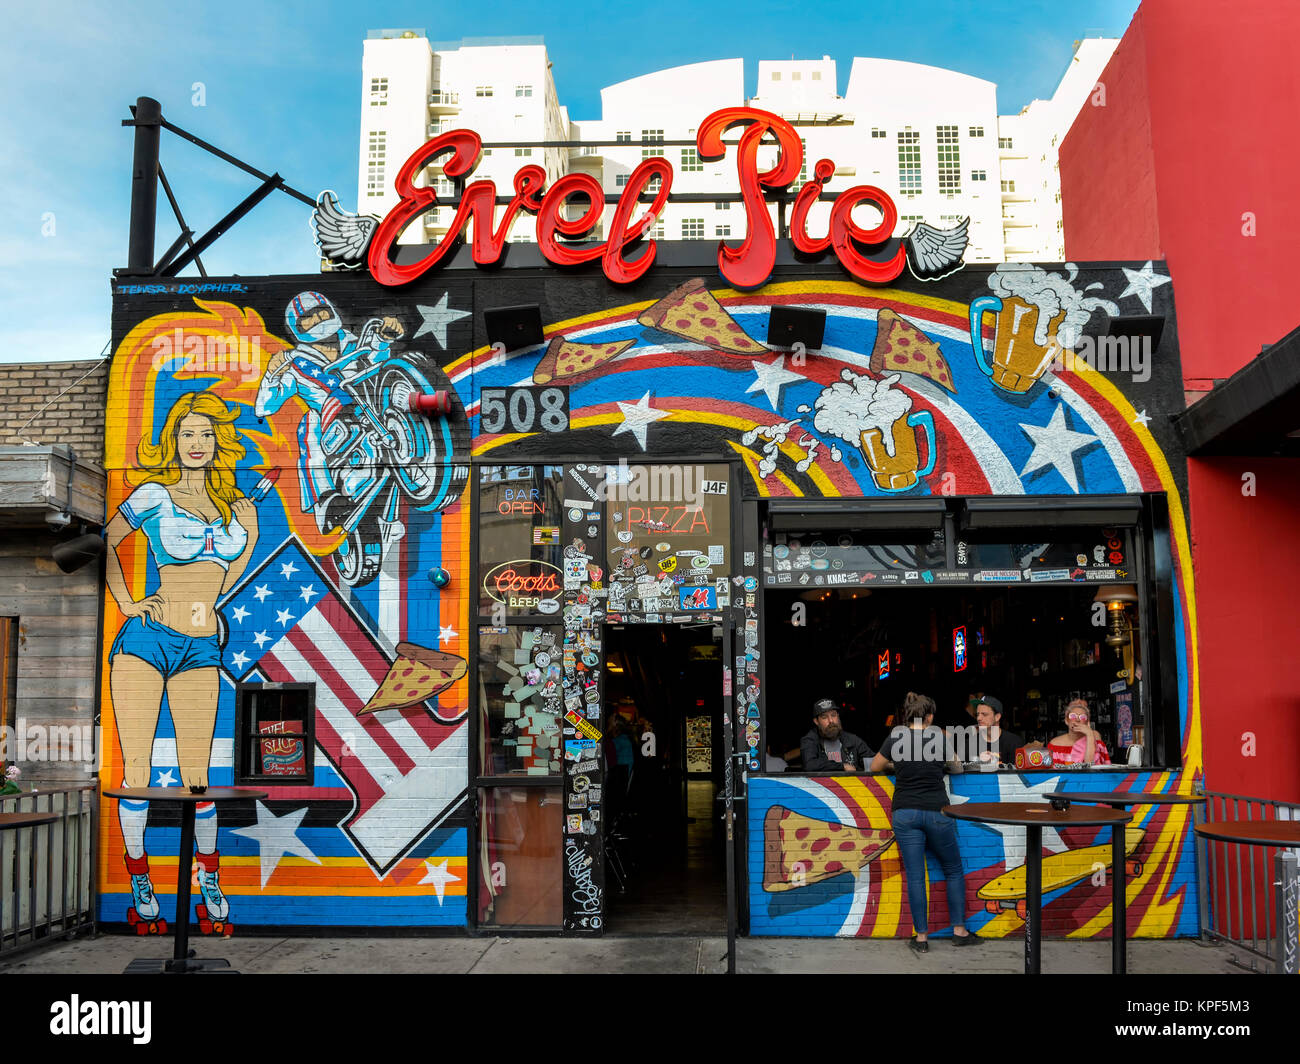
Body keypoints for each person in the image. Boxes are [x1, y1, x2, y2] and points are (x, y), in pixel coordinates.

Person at [105, 391, 260, 935]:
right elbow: (108, 542)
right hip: (146, 640)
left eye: (206, 434)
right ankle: (141, 880)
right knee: (137, 771)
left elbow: (225, 575)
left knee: (199, 776)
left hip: (201, 646)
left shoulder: (235, 507)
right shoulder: (154, 494)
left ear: (219, 441)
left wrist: (253, 535)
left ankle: (207, 879)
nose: (197, 444)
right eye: (187, 434)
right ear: (174, 440)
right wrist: (127, 603)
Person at [871, 692, 981, 952]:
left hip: (905, 813)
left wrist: (896, 766)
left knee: (916, 877)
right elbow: (957, 769)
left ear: (907, 716)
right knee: (953, 870)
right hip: (936, 811)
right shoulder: (939, 737)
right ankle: (959, 931)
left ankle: (921, 938)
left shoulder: (895, 736)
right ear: (929, 716)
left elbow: (875, 766)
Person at [800, 698, 873, 773]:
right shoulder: (809, 740)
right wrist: (842, 766)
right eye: (824, 717)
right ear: (816, 721)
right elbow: (809, 765)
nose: (831, 720)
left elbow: (872, 761)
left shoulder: (852, 740)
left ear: (838, 716)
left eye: (833, 715)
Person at [1047, 698, 1111, 767]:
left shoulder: (1094, 736)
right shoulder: (1054, 743)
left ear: (1087, 722)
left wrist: (1089, 734)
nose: (1077, 720)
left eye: (1082, 717)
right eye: (1073, 716)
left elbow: (1091, 767)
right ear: (1066, 721)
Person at [974, 695, 1022, 766]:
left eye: (984, 714)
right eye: (977, 714)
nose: (979, 718)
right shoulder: (969, 743)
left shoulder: (1014, 742)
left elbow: (1018, 775)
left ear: (997, 717)